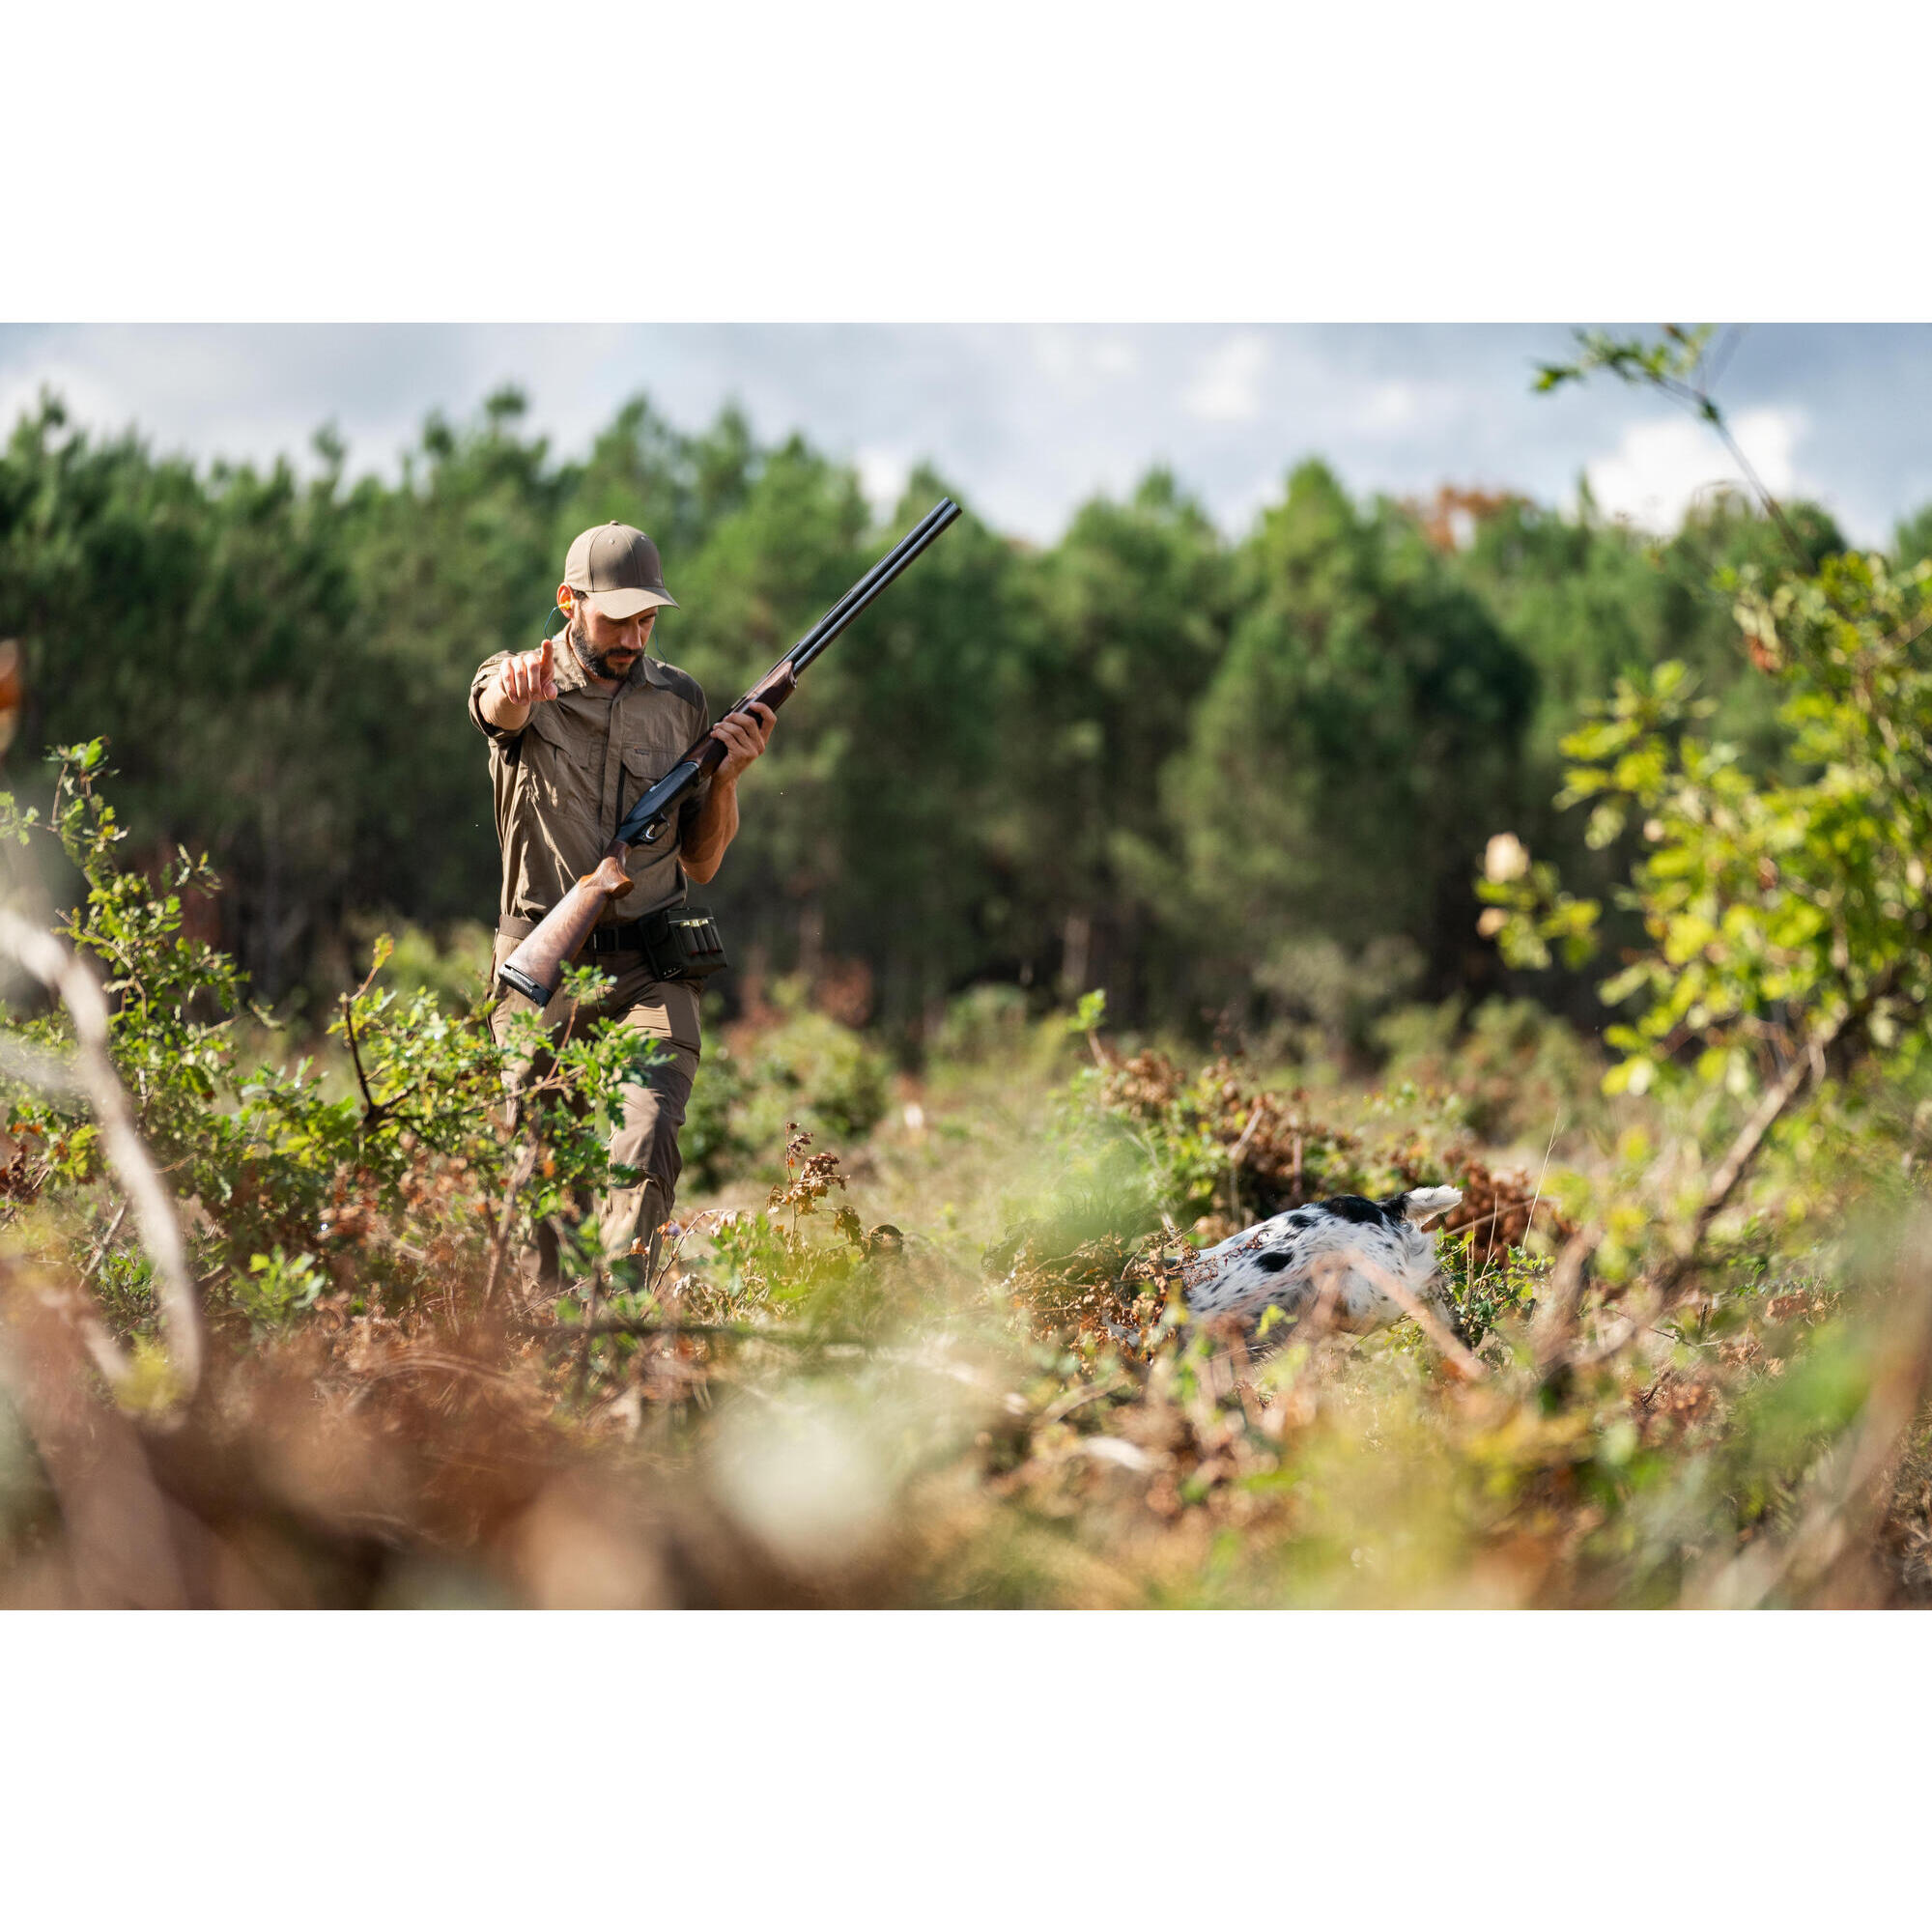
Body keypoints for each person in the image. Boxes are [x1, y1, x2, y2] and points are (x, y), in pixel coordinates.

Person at [469, 520, 774, 1290]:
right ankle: (547, 1354)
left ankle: (616, 1337)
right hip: (542, 971)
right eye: (618, 618)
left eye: (648, 619)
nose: (635, 635)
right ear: (569, 602)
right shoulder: (523, 681)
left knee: (642, 1145)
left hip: (650, 970)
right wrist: (513, 688)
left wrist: (728, 780)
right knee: (534, 1186)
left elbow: (700, 860)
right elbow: (495, 706)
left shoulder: (679, 702)